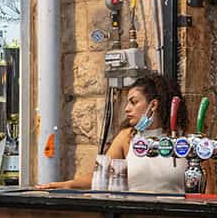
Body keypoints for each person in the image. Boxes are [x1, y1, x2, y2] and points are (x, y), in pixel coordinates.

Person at [38, 70, 189, 195]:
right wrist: (68, 185)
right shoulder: (127, 137)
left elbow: (206, 192)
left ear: (153, 105)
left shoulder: (185, 143)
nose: (127, 109)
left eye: (133, 102)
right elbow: (100, 176)